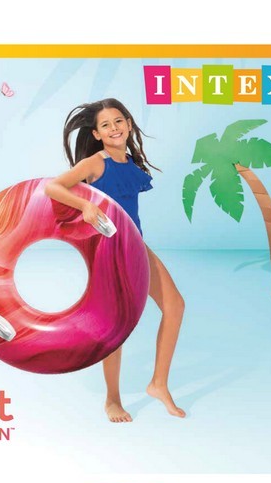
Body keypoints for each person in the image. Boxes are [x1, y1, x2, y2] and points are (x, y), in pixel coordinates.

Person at [42, 99, 186, 421]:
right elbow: (53, 187)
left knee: (175, 305)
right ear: (96, 134)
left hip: (136, 244)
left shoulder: (130, 163)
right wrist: (85, 206)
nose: (114, 128)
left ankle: (158, 384)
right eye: (105, 125)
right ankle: (112, 399)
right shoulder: (95, 163)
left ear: (129, 125)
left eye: (118, 121)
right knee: (118, 326)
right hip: (110, 250)